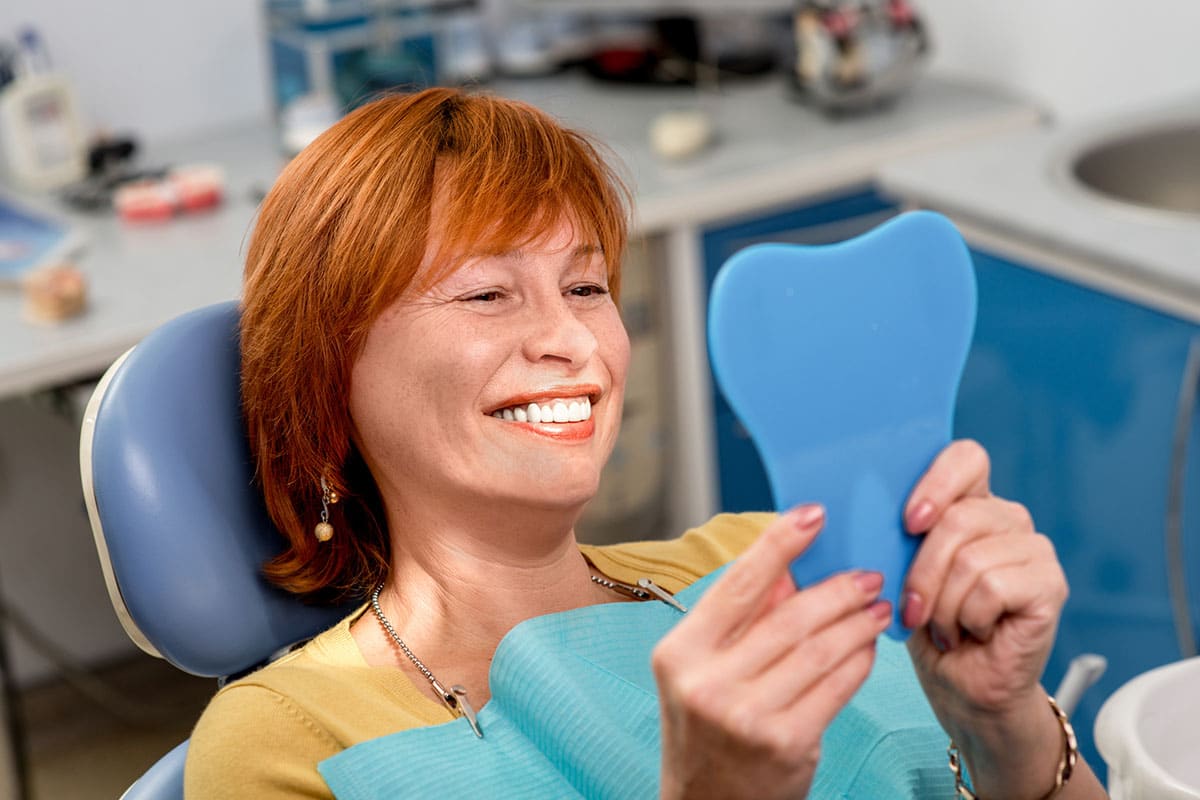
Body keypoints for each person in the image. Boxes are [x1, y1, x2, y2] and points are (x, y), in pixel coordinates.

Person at [184, 86, 1108, 799]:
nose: (574, 341)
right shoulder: (289, 739)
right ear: (329, 376)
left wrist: (1005, 728)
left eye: (586, 288)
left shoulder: (773, 564)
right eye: (487, 294)